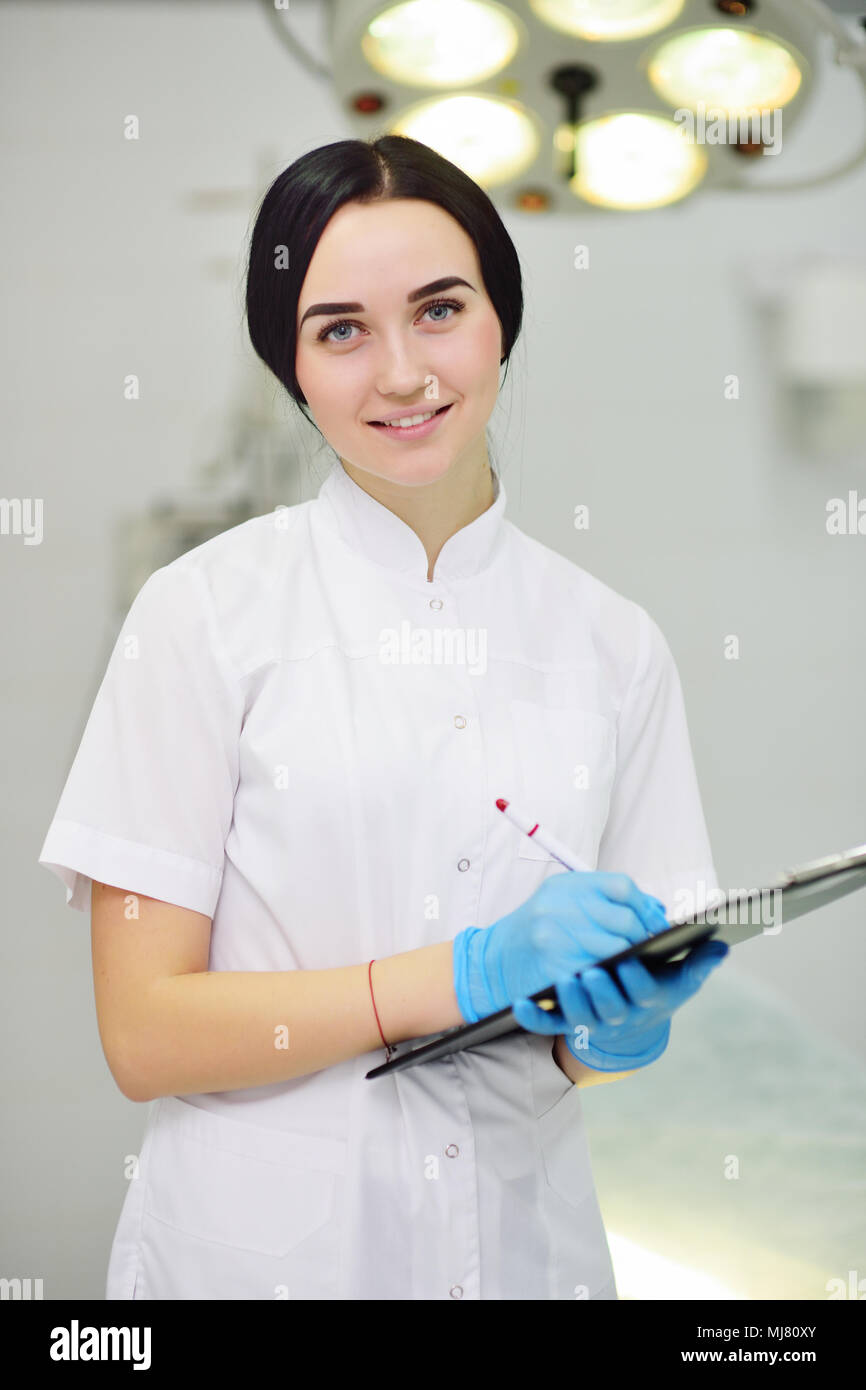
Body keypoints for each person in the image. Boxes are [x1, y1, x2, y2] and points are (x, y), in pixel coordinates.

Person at [38, 134, 727, 1301]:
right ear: (292, 368)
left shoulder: (614, 643)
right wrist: (462, 973)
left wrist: (606, 1036)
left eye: (440, 309)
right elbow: (143, 1034)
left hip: (525, 1253)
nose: (402, 372)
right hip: (260, 1261)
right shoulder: (201, 615)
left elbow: (597, 1020)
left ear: (501, 321)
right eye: (340, 329)